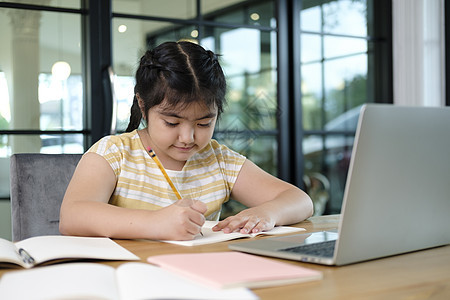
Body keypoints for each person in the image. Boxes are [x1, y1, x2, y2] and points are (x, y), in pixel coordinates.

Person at [59, 41, 313, 241]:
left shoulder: (219, 160)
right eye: (172, 123)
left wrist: (267, 213)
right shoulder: (114, 153)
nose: (187, 137)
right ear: (143, 105)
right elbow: (72, 215)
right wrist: (156, 223)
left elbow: (300, 200)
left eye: (204, 124)